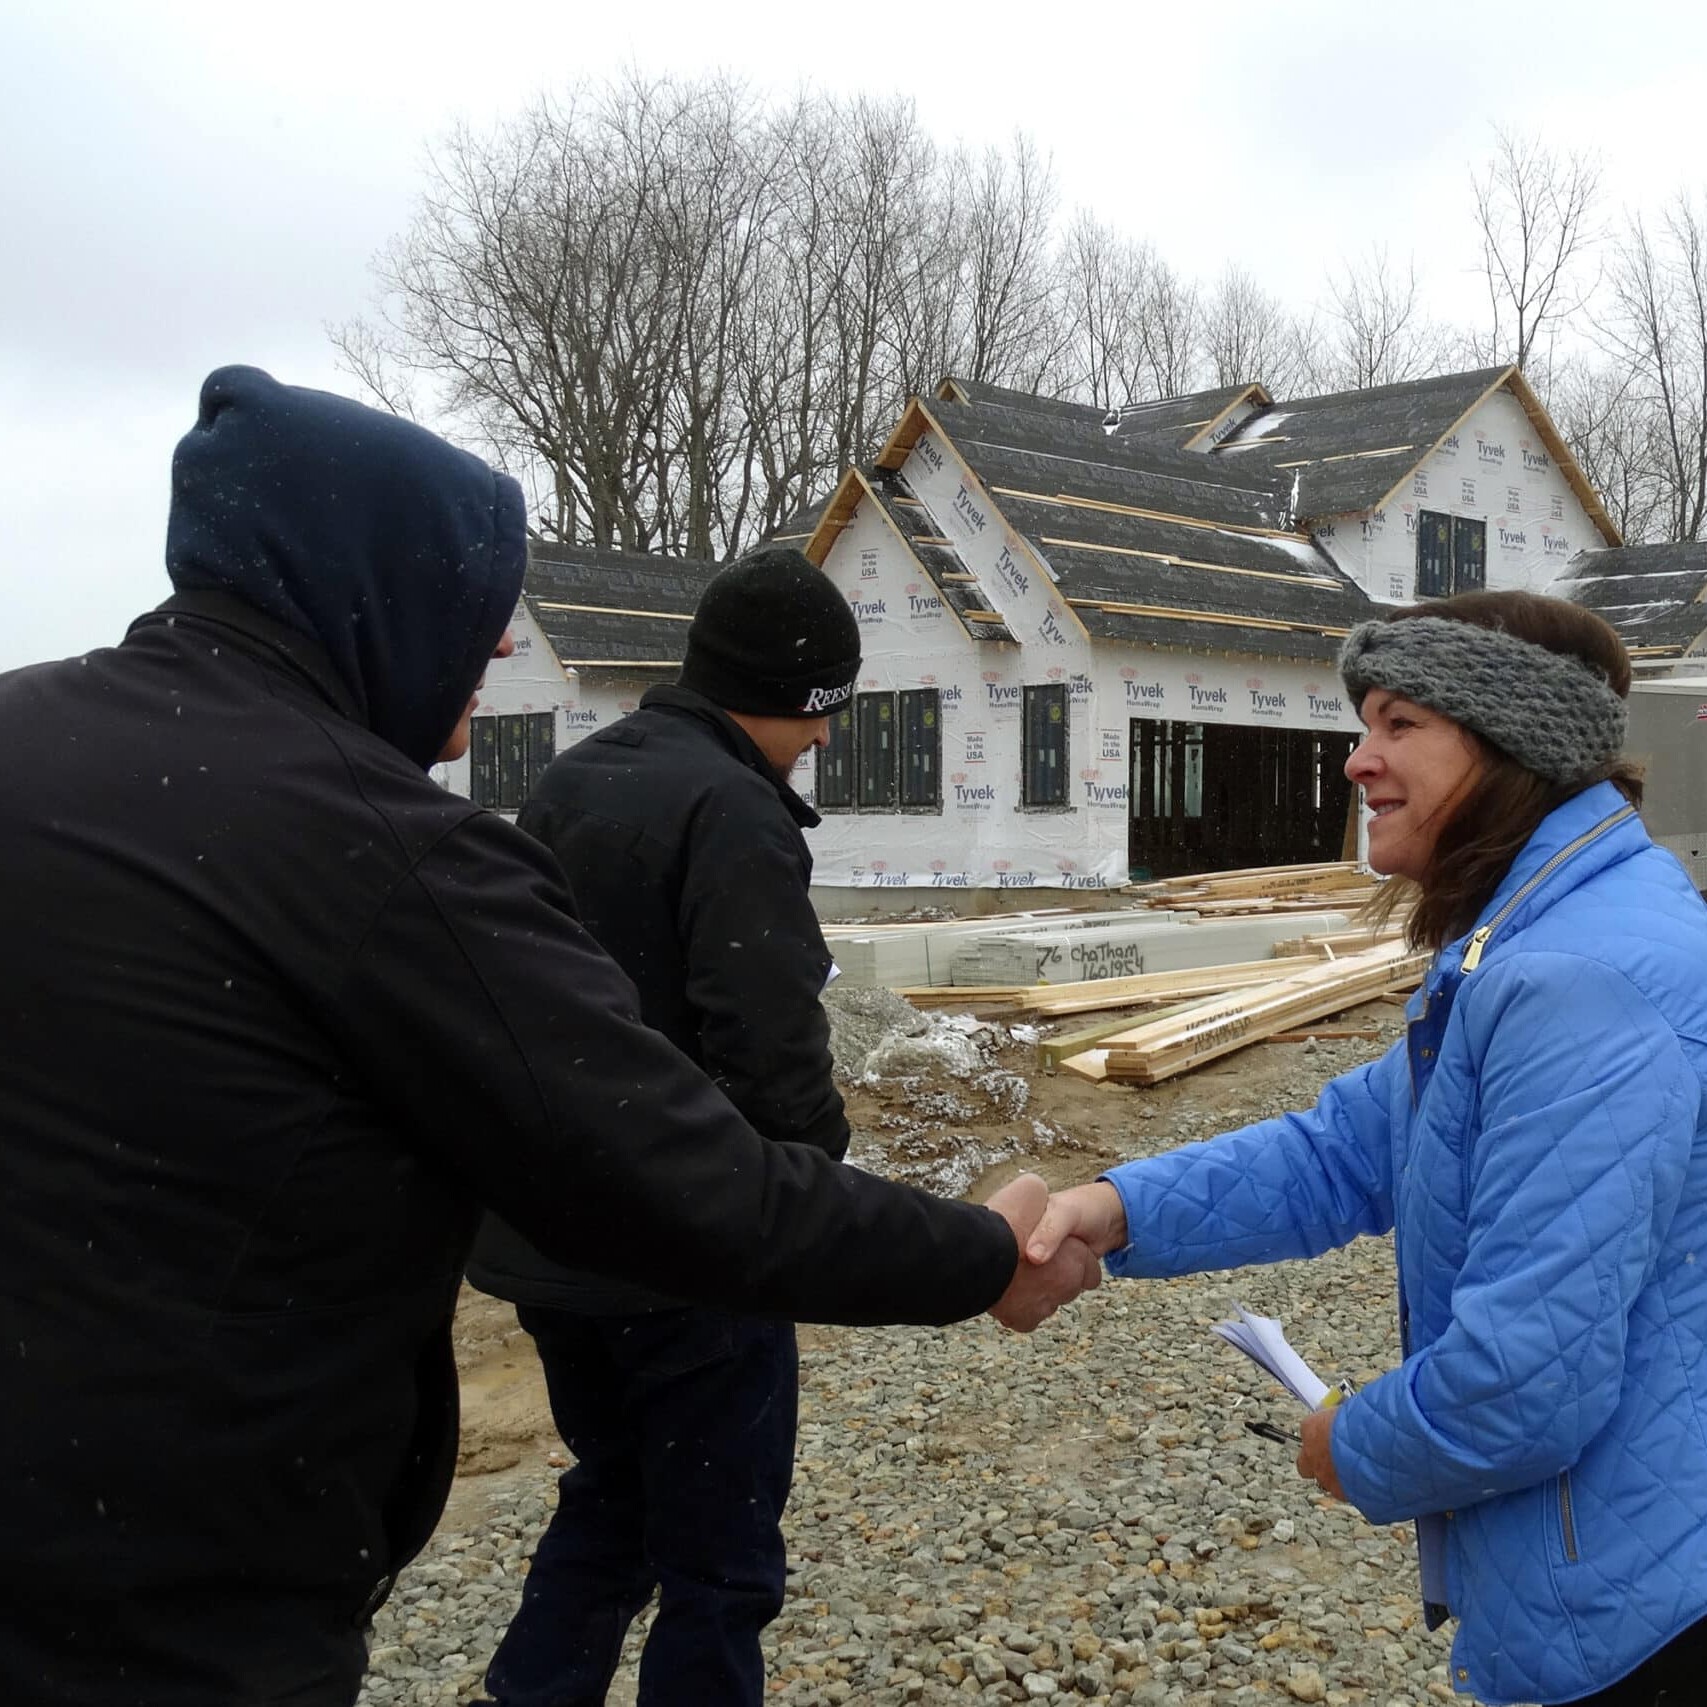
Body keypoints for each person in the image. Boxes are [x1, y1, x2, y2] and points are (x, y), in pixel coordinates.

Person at [0, 366, 1101, 1707]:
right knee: (714, 1559)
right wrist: (974, 1250)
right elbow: (691, 1148)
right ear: (378, 602)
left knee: (609, 1505)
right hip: (183, 1593)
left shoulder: (35, 743)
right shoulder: (378, 851)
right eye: (464, 645)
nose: (467, 713)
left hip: (460, 1302)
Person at [1031, 590, 1707, 1707]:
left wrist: (1360, 1442)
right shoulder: (1534, 936)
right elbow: (1346, 1149)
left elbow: (1524, 1383)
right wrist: (1113, 1208)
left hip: (1643, 1614)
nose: (1358, 761)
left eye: (1399, 724)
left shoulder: (1575, 978)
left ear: (1512, 744)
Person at [466, 546, 872, 1707]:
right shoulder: (736, 812)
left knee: (614, 1497)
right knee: (723, 1560)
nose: (826, 742)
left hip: (551, 1237)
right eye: (822, 716)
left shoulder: (573, 780)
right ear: (790, 699)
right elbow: (771, 1046)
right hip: (687, 1250)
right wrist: (814, 1204)